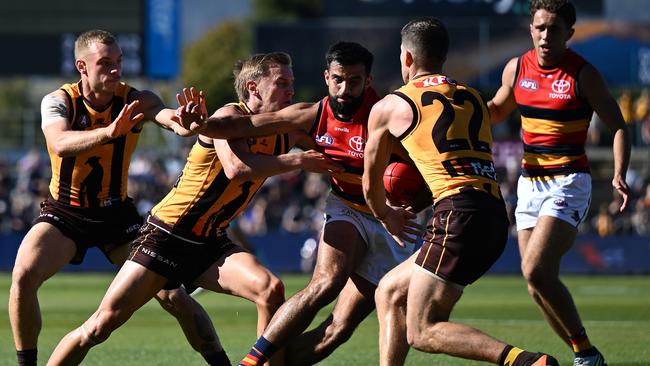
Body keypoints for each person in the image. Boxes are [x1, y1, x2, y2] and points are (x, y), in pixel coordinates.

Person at [46, 51, 343, 365]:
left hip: (209, 241)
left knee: (270, 289)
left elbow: (338, 151)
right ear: (254, 88)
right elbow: (236, 168)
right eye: (282, 83)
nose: (290, 91)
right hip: (166, 235)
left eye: (291, 83)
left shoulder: (289, 132)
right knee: (99, 326)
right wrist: (298, 160)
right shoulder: (229, 115)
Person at [187, 41, 418, 366]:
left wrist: (416, 200)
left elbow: (428, 167)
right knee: (325, 283)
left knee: (338, 330)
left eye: (354, 81)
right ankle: (251, 363)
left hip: (392, 223)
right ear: (327, 77)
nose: (344, 89)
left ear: (368, 81)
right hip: (347, 208)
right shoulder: (313, 114)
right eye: (338, 79)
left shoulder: (392, 116)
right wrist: (200, 125)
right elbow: (244, 126)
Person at [8, 29, 226, 366]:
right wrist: (109, 132)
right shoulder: (58, 101)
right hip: (65, 213)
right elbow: (59, 143)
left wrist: (188, 123)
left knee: (175, 297)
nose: (115, 70)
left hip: (117, 217)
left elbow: (169, 119)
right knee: (23, 275)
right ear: (82, 66)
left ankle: (221, 363)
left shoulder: (136, 100)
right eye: (105, 63)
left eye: (119, 62)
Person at [361, 17, 560, 366]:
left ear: (407, 58)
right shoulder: (472, 98)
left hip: (457, 215)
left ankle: (526, 362)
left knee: (421, 330)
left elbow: (369, 182)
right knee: (390, 292)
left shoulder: (390, 106)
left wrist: (385, 215)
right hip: (493, 214)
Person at [488, 1, 630, 364]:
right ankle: (585, 354)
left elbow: (617, 125)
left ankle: (586, 354)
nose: (545, 35)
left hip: (569, 182)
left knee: (535, 269)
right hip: (528, 184)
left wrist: (618, 172)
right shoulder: (516, 68)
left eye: (554, 28)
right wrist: (455, 107)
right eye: (540, 27)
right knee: (535, 282)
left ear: (569, 33)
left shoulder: (583, 74)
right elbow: (496, 110)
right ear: (531, 29)